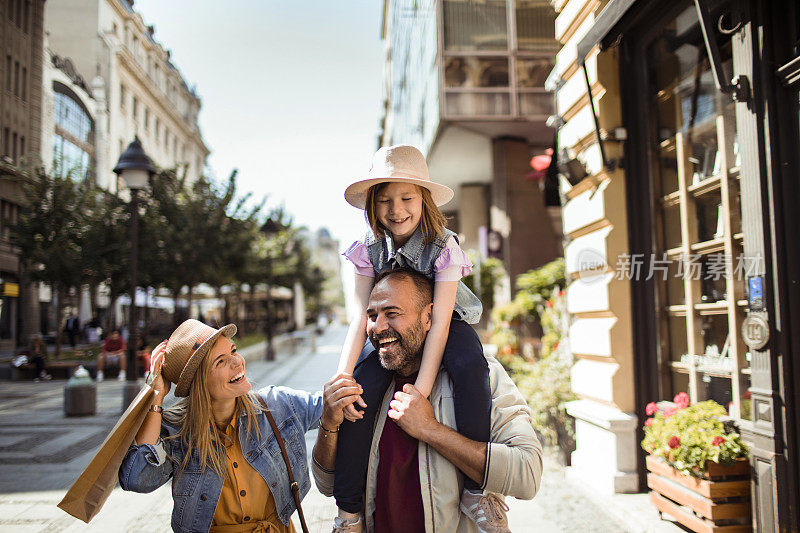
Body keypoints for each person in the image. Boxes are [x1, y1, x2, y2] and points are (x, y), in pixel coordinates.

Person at [334, 144, 492, 528]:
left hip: (445, 319)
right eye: (385, 200)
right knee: (359, 396)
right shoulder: (367, 250)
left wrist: (418, 393)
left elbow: (437, 322)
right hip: (392, 325)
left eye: (407, 198)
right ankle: (348, 509)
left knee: (470, 364)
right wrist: (343, 378)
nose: (396, 209)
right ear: (372, 204)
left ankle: (478, 491)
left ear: (423, 200)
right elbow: (359, 317)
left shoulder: (444, 246)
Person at [313, 270, 543, 532]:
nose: (377, 327)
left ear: (429, 317)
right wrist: (328, 424)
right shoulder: (364, 387)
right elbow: (326, 484)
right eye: (372, 316)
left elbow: (528, 474)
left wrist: (430, 429)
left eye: (392, 313)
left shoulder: (480, 375)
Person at [119, 319, 363, 533]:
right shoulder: (177, 432)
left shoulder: (278, 406)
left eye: (233, 350)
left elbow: (336, 405)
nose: (237, 362)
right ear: (199, 382)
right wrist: (156, 397)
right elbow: (137, 479)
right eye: (221, 361)